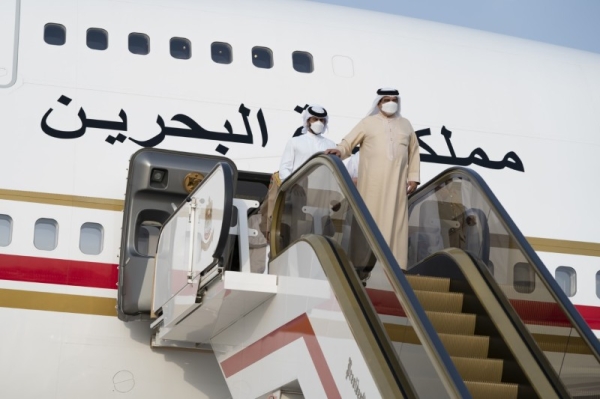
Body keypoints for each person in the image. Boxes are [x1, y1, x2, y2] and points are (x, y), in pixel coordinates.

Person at [326, 88, 420, 269]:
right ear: (379, 103)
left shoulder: (406, 125)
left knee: (395, 225)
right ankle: (362, 266)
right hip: (371, 187)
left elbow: (414, 152)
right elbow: (348, 143)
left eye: (394, 99)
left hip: (396, 188)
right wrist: (339, 151)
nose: (391, 102)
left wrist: (413, 177)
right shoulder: (368, 123)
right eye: (386, 99)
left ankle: (394, 267)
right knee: (367, 224)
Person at [259, 104, 336, 237]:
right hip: (299, 191)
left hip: (321, 193)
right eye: (315, 119)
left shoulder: (330, 145)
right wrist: (293, 184)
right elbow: (285, 168)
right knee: (299, 229)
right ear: (308, 121)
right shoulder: (295, 142)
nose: (318, 123)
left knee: (320, 230)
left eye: (321, 120)